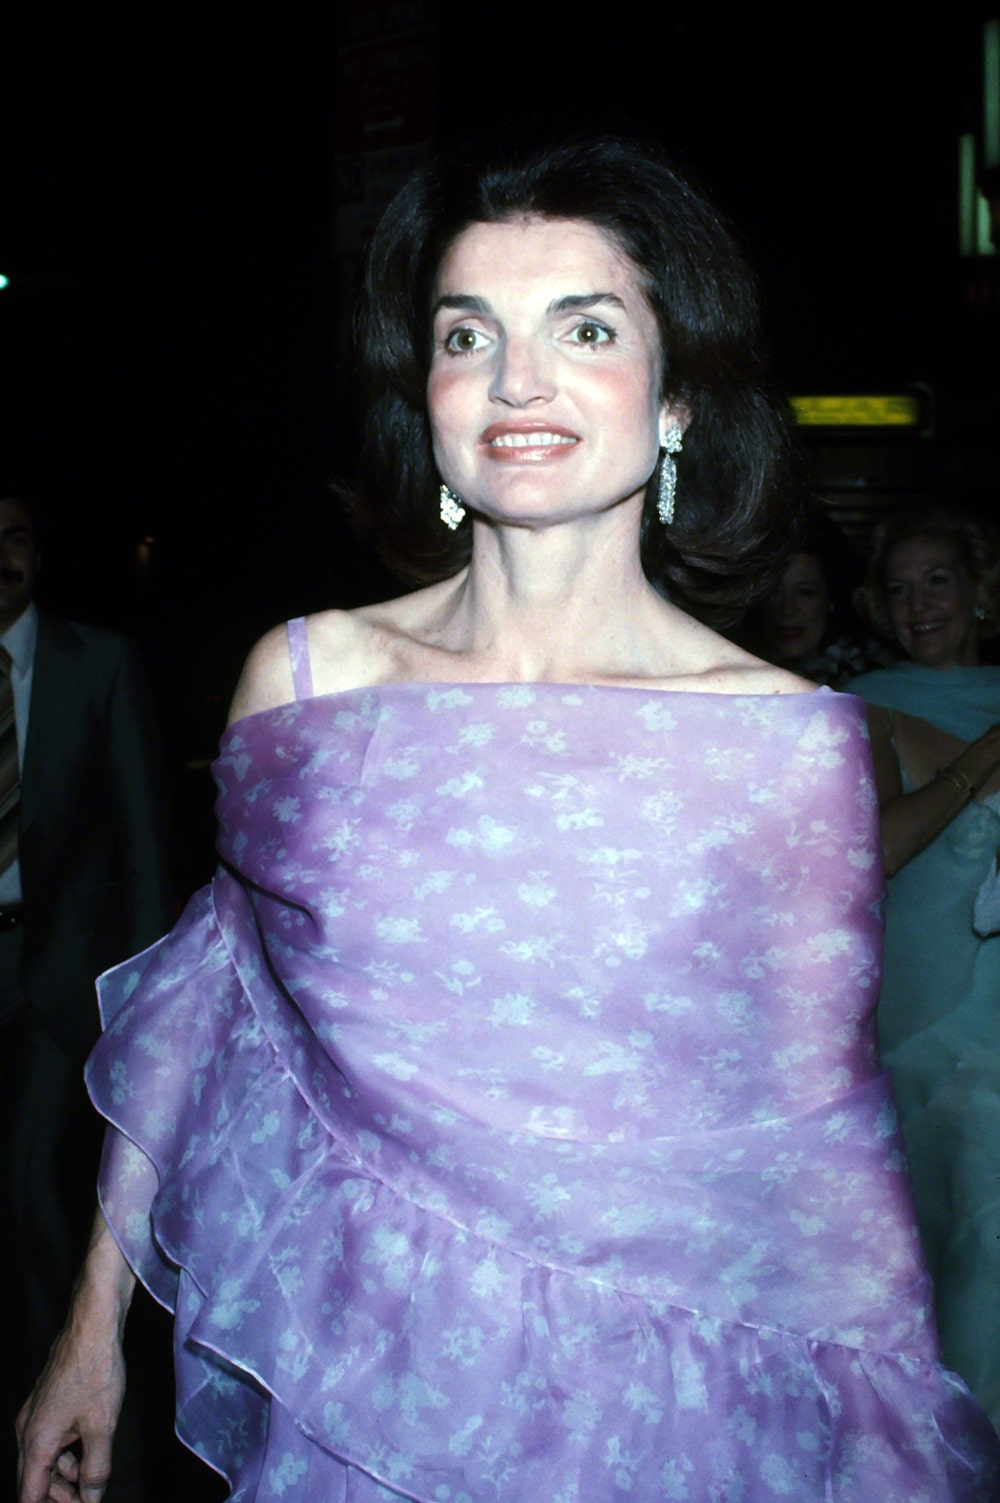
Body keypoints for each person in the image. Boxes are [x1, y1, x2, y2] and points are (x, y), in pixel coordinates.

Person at [17, 141, 1000, 1503]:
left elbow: (825, 1155)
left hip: (658, 1403)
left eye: (584, 328)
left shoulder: (782, 744)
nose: (517, 379)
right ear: (427, 394)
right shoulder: (306, 682)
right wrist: (87, 1336)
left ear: (676, 401)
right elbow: (205, 1002)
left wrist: (895, 1447)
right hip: (359, 1377)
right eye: (467, 334)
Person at [0, 495, 176, 1496]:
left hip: (57, 988)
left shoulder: (95, 664)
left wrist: (143, 1010)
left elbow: (146, 835)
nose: (1, 559)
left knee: (38, 1204)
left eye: (17, 538)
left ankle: (90, 1433)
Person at [849, 505, 1000, 1431]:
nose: (919, 604)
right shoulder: (867, 700)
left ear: (981, 589)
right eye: (899, 590)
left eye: (937, 580)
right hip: (920, 991)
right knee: (928, 1242)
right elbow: (870, 849)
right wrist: (974, 768)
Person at [744, 511, 895, 687]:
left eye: (805, 592)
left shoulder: (873, 680)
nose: (788, 609)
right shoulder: (731, 664)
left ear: (830, 598)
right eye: (773, 592)